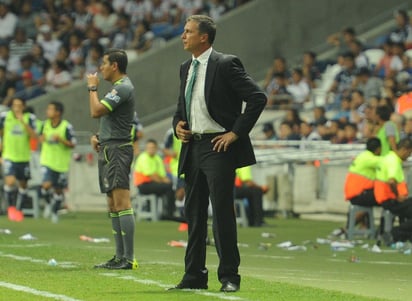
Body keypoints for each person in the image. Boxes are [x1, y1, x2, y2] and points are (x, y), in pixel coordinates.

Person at [171, 15, 266, 292]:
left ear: (204, 37)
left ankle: (229, 277)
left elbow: (258, 97)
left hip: (218, 146)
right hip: (193, 146)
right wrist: (177, 125)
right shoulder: (185, 67)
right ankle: (194, 275)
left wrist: (235, 133)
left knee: (222, 212)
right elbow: (181, 107)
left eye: (188, 32)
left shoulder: (226, 64)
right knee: (194, 213)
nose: (183, 36)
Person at [87, 48, 138, 270]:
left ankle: (129, 258)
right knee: (112, 203)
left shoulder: (123, 88)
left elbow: (96, 111)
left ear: (115, 65)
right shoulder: (117, 89)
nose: (101, 68)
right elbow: (111, 120)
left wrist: (92, 88)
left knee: (122, 202)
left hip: (118, 149)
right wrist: (99, 136)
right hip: (108, 147)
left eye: (104, 63)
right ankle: (119, 257)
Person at [39, 101, 76, 223]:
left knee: (58, 190)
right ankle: (49, 205)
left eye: (50, 109)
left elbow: (73, 144)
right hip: (47, 161)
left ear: (58, 112)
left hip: (61, 164)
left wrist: (61, 140)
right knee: (46, 185)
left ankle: (55, 212)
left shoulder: (66, 127)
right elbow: (39, 138)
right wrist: (41, 138)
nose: (47, 111)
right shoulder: (44, 125)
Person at [0, 98, 37, 211]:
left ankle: (19, 209)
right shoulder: (4, 117)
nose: (16, 107)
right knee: (10, 181)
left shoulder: (30, 118)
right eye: (14, 105)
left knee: (23, 184)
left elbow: (34, 136)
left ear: (23, 107)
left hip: (23, 157)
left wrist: (22, 122)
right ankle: (11, 208)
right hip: (9, 156)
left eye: (19, 105)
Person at [374, 138, 412, 244]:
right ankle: (393, 233)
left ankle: (403, 236)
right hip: (391, 199)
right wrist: (398, 196)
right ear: (405, 149)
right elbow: (391, 181)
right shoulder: (393, 161)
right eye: (409, 153)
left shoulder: (389, 157)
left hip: (386, 198)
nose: (409, 156)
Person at [133, 139, 176, 218]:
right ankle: (169, 214)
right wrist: (164, 181)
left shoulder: (157, 158)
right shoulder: (143, 158)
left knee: (169, 186)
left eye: (152, 147)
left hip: (153, 183)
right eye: (149, 147)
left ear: (156, 148)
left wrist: (165, 180)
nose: (151, 149)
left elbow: (162, 174)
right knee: (168, 187)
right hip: (143, 185)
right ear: (146, 148)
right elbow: (151, 175)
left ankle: (165, 212)